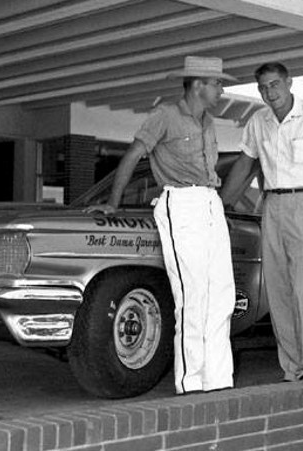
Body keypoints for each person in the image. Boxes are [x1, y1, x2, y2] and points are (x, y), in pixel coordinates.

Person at [87, 56, 238, 395]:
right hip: (181, 204)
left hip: (210, 203)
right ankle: (192, 384)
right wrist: (113, 201)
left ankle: (218, 381)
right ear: (197, 84)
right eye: (216, 83)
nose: (221, 89)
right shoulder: (164, 116)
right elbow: (131, 157)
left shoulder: (209, 122)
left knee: (222, 296)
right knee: (193, 294)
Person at [221, 61, 303, 382]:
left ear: (289, 83)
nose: (269, 93)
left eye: (274, 85)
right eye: (262, 88)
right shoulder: (258, 122)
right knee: (278, 291)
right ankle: (291, 368)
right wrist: (220, 204)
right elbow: (243, 167)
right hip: (272, 205)